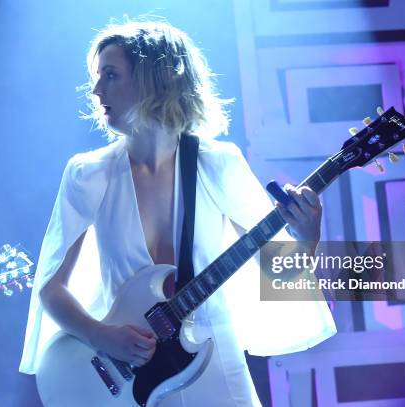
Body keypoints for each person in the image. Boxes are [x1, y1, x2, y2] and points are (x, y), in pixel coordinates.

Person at [20, 19, 336, 406]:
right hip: (129, 367)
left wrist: (308, 237)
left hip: (214, 362)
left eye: (111, 75)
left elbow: (276, 274)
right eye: (97, 76)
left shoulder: (218, 163)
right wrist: (102, 336)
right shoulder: (88, 174)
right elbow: (50, 288)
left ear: (155, 79)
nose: (96, 89)